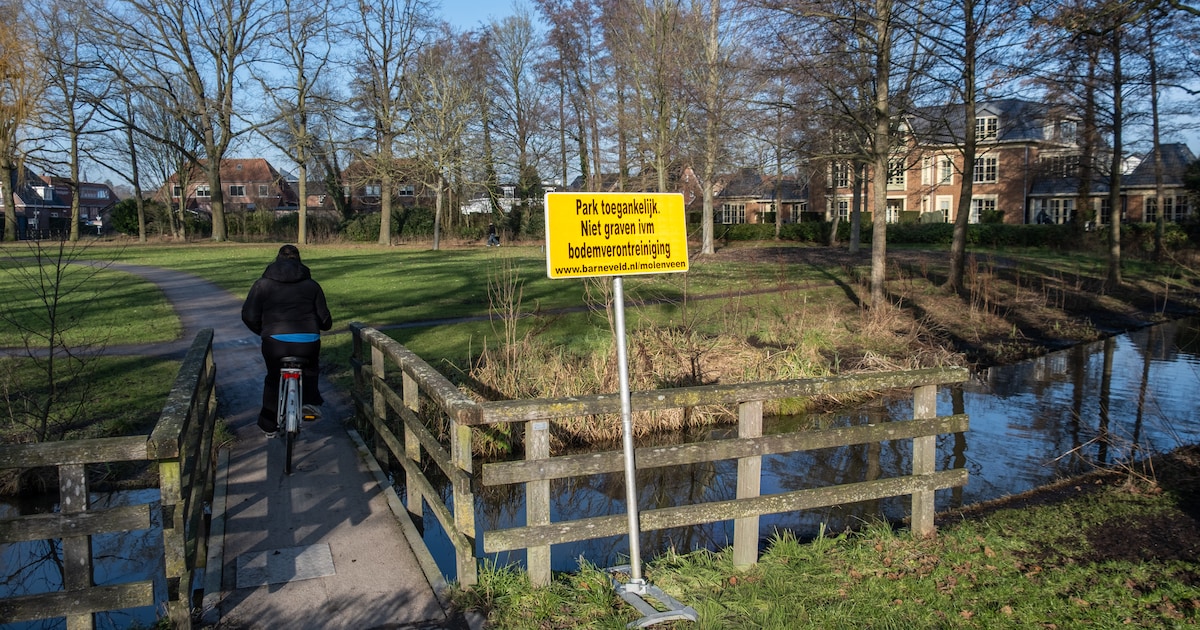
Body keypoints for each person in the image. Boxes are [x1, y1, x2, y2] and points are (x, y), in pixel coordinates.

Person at [241, 244, 333, 437]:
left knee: (273, 378)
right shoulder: (312, 285)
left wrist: (263, 330)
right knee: (310, 369)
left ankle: (268, 424)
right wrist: (322, 325)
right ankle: (308, 403)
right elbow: (324, 318)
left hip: (274, 341)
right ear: (299, 261)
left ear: (277, 259)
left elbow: (249, 315)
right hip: (307, 341)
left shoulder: (262, 285)